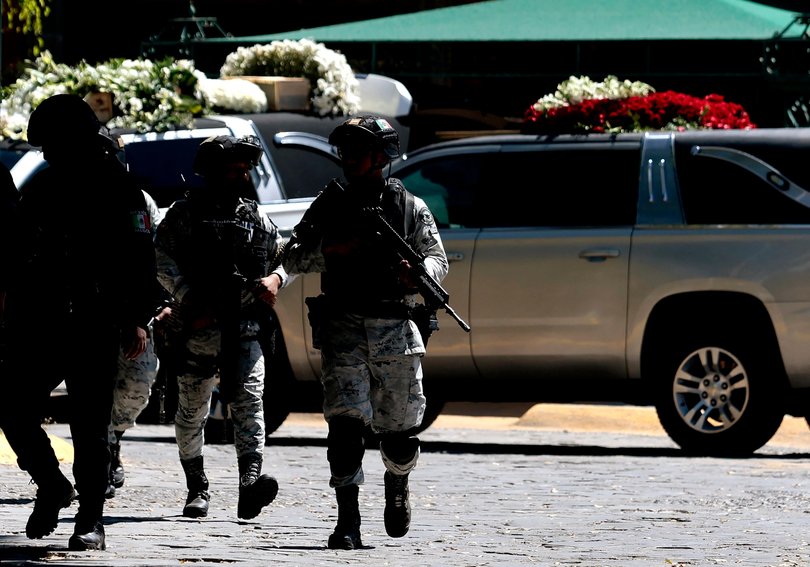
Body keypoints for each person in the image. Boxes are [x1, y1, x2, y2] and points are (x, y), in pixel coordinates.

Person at [282, 115, 449, 549]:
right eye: (345, 150)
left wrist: (419, 275)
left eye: (358, 151)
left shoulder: (409, 206)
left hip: (394, 326)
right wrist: (332, 251)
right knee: (344, 427)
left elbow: (437, 257)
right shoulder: (329, 204)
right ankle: (348, 522)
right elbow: (292, 257)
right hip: (343, 329)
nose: (348, 159)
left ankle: (397, 484)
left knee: (398, 437)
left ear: (381, 157)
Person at [0, 94, 156, 551]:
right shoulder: (42, 188)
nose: (47, 153)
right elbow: (15, 254)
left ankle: (91, 518)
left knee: (89, 425)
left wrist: (136, 318)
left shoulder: (119, 187)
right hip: (41, 320)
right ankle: (50, 483)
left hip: (95, 319)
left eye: (52, 144)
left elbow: (140, 257)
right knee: (11, 405)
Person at [154, 134, 287, 520]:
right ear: (211, 172)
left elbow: (283, 257)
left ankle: (250, 484)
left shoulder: (255, 216)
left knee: (249, 399)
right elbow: (159, 255)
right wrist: (183, 292)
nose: (241, 176)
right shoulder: (185, 214)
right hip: (195, 329)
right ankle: (197, 486)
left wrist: (275, 278)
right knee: (192, 411)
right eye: (232, 169)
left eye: (244, 169)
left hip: (244, 328)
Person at [106, 189, 168, 498]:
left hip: (133, 309)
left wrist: (146, 314)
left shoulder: (137, 199)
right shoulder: (61, 187)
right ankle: (98, 462)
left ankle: (112, 440)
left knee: (137, 386)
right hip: (81, 308)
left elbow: (153, 256)